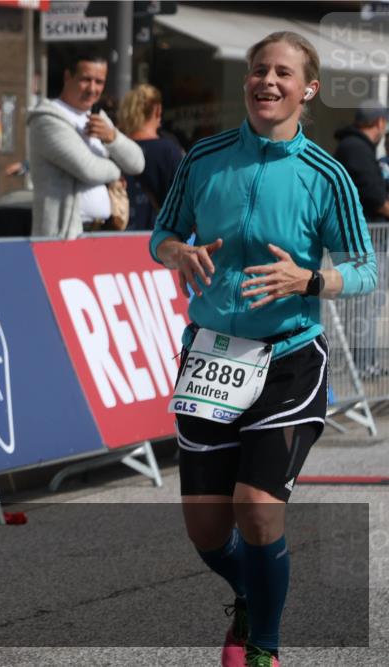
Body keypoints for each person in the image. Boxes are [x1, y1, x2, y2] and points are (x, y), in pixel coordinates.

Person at [151, 32, 376, 667]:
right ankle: (252, 591)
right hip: (212, 357)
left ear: (309, 89)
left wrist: (310, 280)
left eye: (283, 73)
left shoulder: (326, 175)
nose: (267, 82)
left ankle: (263, 648)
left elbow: (364, 269)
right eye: (258, 70)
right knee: (205, 531)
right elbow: (163, 232)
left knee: (256, 509)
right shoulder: (205, 158)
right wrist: (178, 252)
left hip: (289, 358)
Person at [26, 52, 144, 240]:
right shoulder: (47, 119)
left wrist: (113, 137)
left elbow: (137, 163)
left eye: (99, 82)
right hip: (64, 237)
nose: (92, 88)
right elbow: (89, 169)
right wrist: (117, 170)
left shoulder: (98, 117)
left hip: (104, 230)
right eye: (86, 80)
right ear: (67, 77)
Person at [333, 100, 389, 376]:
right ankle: (362, 366)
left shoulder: (356, 147)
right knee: (365, 305)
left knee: (369, 304)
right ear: (379, 122)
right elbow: (377, 199)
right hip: (363, 241)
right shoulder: (356, 149)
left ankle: (365, 363)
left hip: (365, 239)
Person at [116, 84, 184, 231]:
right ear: (157, 110)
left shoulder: (115, 146)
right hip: (157, 239)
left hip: (116, 235)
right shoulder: (168, 150)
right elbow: (182, 202)